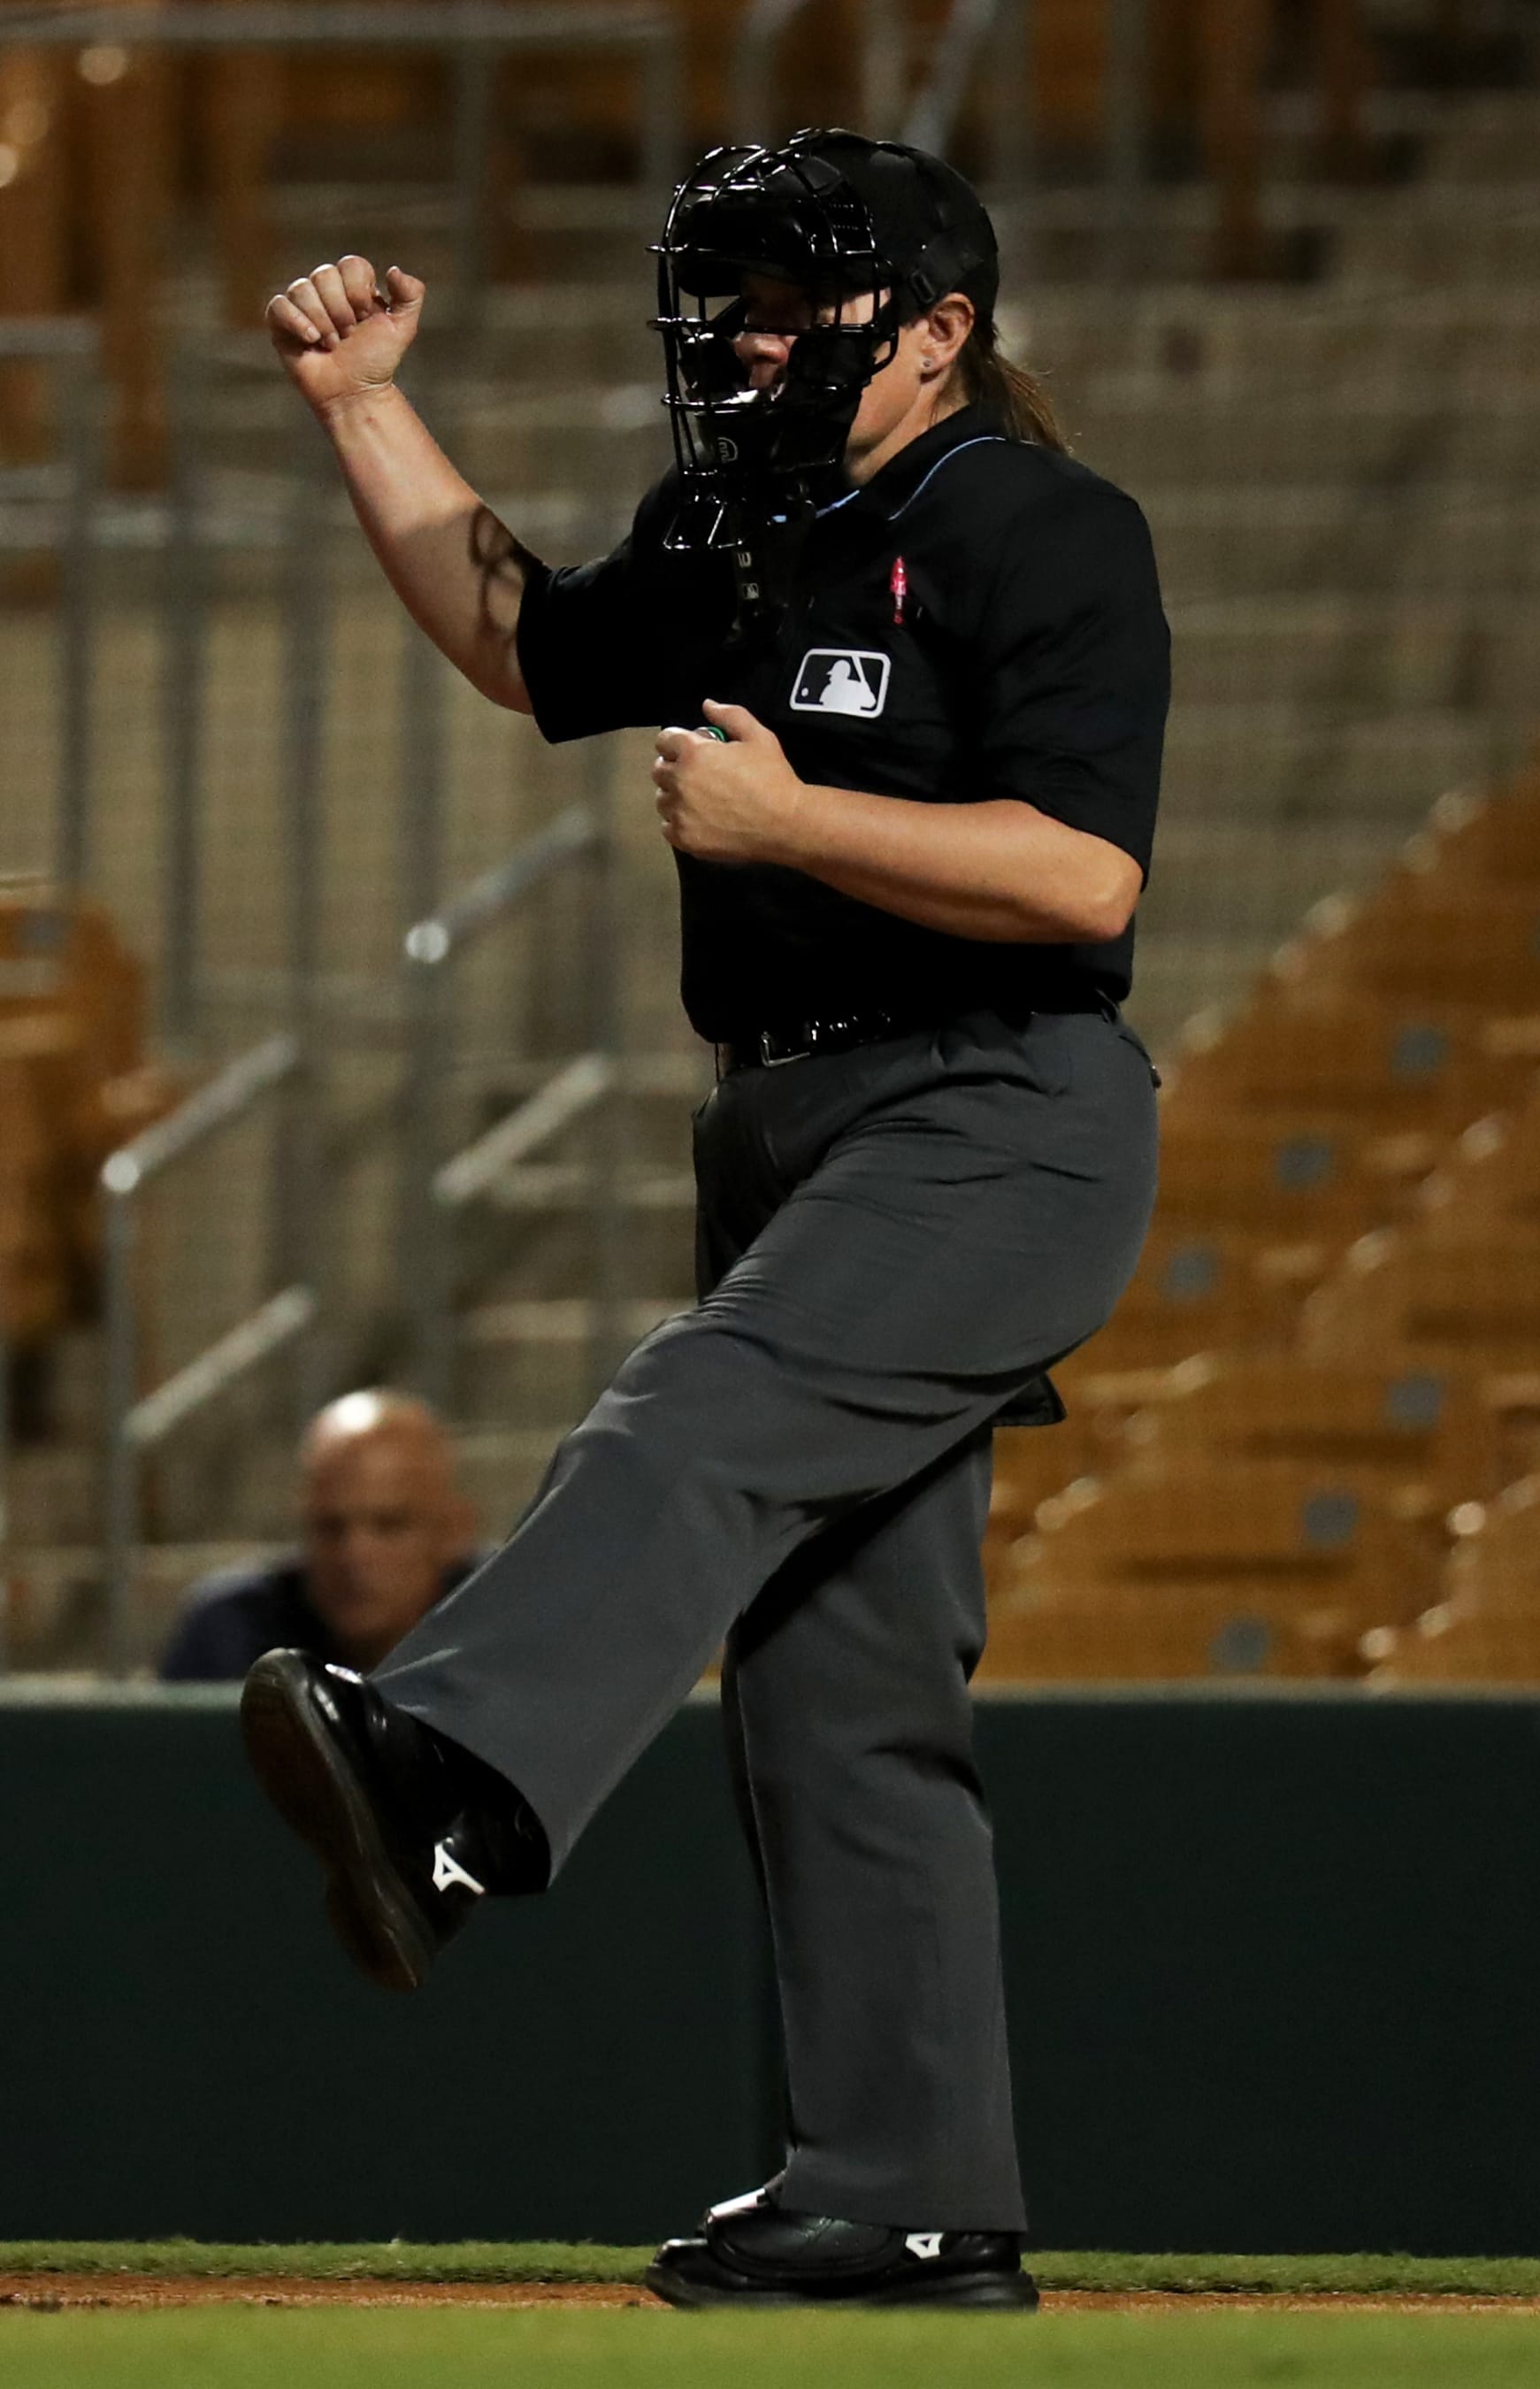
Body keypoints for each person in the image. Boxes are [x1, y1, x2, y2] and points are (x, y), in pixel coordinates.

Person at [239, 129, 1168, 2311]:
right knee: (841, 1692)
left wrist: (787, 817)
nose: (746, 335)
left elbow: (1089, 881)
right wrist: (367, 402)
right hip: (790, 1119)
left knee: (697, 1418)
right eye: (729, 295)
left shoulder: (1046, 526)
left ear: (940, 333)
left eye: (795, 299)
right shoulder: (737, 527)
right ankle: (908, 2193)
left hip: (993, 1111)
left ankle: (448, 1769)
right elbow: (521, 640)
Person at [160, 1392, 478, 1681]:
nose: (354, 1554)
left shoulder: (507, 1626)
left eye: (389, 1525)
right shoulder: (230, 1633)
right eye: (330, 1527)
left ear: (453, 1531)